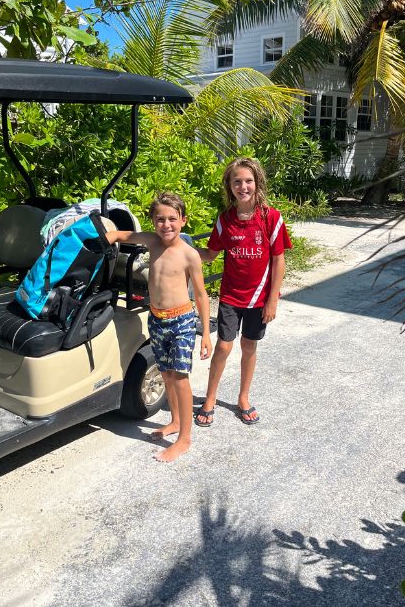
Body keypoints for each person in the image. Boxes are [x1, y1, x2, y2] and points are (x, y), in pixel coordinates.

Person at [105, 192, 212, 462]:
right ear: (153, 221)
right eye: (160, 219)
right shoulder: (152, 241)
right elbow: (124, 235)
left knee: (180, 378)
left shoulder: (189, 255)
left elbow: (201, 295)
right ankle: (175, 421)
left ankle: (184, 439)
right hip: (157, 319)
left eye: (172, 219)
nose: (166, 225)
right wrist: (110, 236)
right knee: (165, 375)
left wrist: (206, 333)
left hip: (182, 321)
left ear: (183, 221)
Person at [195, 157, 292, 426]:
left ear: (257, 183)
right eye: (237, 181)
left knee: (249, 346)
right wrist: (180, 246)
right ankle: (210, 398)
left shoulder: (271, 218)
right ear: (230, 186)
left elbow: (279, 259)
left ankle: (243, 397)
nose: (243, 186)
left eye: (248, 180)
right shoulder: (225, 220)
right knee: (224, 346)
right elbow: (211, 254)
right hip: (230, 296)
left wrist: (273, 299)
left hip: (260, 298)